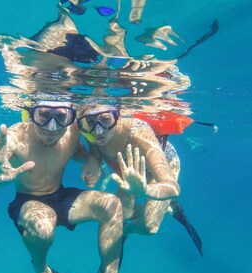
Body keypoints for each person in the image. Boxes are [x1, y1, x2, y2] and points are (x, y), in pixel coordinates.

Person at [0, 100, 124, 273]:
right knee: (42, 228)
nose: (52, 127)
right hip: (29, 201)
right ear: (31, 114)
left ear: (71, 116)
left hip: (60, 195)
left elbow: (75, 150)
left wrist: (91, 159)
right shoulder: (14, 138)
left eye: (61, 117)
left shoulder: (73, 130)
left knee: (112, 204)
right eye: (44, 115)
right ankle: (41, 268)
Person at [76, 103, 203, 257]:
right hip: (131, 174)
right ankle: (166, 208)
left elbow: (173, 187)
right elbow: (96, 154)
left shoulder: (139, 134)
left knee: (150, 227)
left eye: (105, 119)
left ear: (119, 115)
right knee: (123, 214)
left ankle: (128, 230)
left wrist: (146, 190)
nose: (98, 130)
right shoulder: (90, 134)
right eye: (90, 121)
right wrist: (93, 162)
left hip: (162, 169)